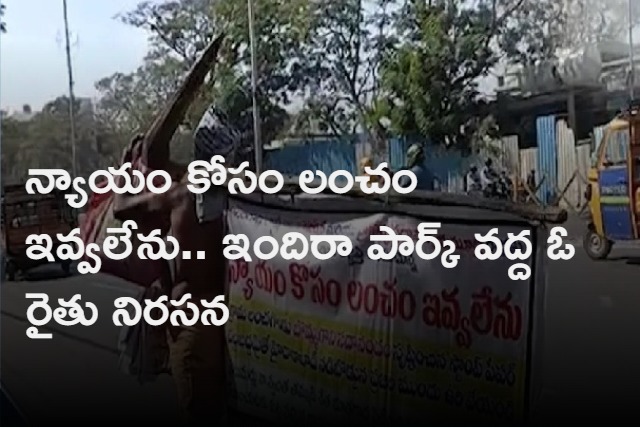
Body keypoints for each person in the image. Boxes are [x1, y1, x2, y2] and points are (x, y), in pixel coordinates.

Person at [112, 102, 244, 425]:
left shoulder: (181, 194)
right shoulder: (235, 194)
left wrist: (124, 171)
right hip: (224, 326)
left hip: (190, 326)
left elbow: (121, 208)